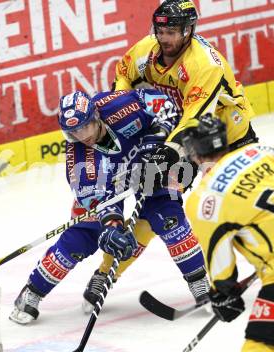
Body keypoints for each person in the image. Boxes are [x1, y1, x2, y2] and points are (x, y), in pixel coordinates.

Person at [85, 0, 259, 309]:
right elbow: (122, 78)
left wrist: (166, 153)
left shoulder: (204, 65)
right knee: (157, 205)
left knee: (241, 202)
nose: (165, 38)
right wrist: (129, 117)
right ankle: (106, 272)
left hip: (229, 137)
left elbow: (194, 117)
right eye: (161, 29)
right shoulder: (145, 53)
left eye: (173, 31)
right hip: (185, 141)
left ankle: (254, 261)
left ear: (189, 31)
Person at [9, 88, 210, 325]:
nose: (82, 136)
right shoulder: (81, 162)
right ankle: (33, 291)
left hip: (153, 166)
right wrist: (112, 227)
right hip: (110, 185)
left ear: (96, 116)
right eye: (73, 132)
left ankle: (199, 283)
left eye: (85, 127)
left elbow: (164, 104)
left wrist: (158, 137)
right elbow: (98, 200)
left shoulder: (120, 104)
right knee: (82, 238)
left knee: (169, 218)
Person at [182, 114, 274, 352]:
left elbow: (221, 267)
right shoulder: (263, 150)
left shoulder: (204, 198)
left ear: (192, 150)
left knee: (259, 346)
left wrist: (224, 294)